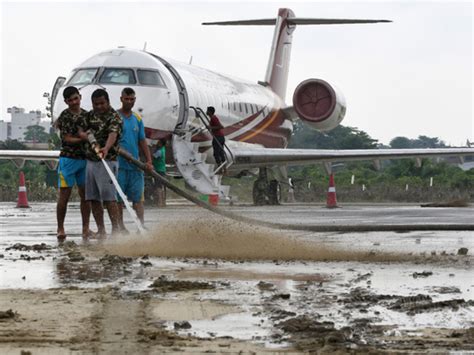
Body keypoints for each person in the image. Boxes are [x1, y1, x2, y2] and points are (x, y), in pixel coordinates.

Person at [82, 89, 122, 237]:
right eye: (96, 104)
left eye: (102, 103)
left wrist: (106, 148)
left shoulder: (114, 117)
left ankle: (116, 230)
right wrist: (88, 137)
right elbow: (82, 129)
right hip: (91, 162)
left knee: (109, 198)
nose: (99, 106)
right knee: (93, 198)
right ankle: (101, 230)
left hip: (107, 161)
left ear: (108, 102)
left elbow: (113, 134)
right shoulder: (89, 115)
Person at [55, 86, 93, 241]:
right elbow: (66, 139)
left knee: (85, 196)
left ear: (80, 97)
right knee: (64, 195)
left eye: (75, 98)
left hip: (84, 160)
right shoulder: (64, 116)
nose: (73, 102)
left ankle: (85, 228)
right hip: (68, 160)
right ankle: (60, 227)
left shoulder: (86, 115)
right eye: (70, 100)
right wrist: (83, 139)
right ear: (66, 101)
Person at [116, 87, 153, 232]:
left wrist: (149, 161)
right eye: (126, 99)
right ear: (121, 99)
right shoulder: (115, 117)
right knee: (119, 199)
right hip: (119, 165)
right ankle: (120, 226)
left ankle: (141, 225)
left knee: (138, 199)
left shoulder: (137, 118)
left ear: (135, 100)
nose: (129, 102)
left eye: (132, 99)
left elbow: (142, 141)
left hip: (136, 166)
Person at [206, 106, 226, 172]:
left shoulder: (213, 118)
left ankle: (221, 169)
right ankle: (224, 168)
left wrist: (210, 127)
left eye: (207, 110)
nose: (206, 111)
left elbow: (221, 126)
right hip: (220, 137)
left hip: (218, 137)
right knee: (220, 153)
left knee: (216, 154)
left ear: (210, 112)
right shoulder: (213, 118)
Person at [152, 138, 167, 207]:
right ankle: (163, 202)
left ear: (161, 143)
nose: (157, 143)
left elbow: (153, 157)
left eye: (158, 142)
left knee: (158, 187)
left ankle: (159, 202)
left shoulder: (159, 151)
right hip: (163, 169)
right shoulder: (163, 149)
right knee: (162, 186)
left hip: (159, 170)